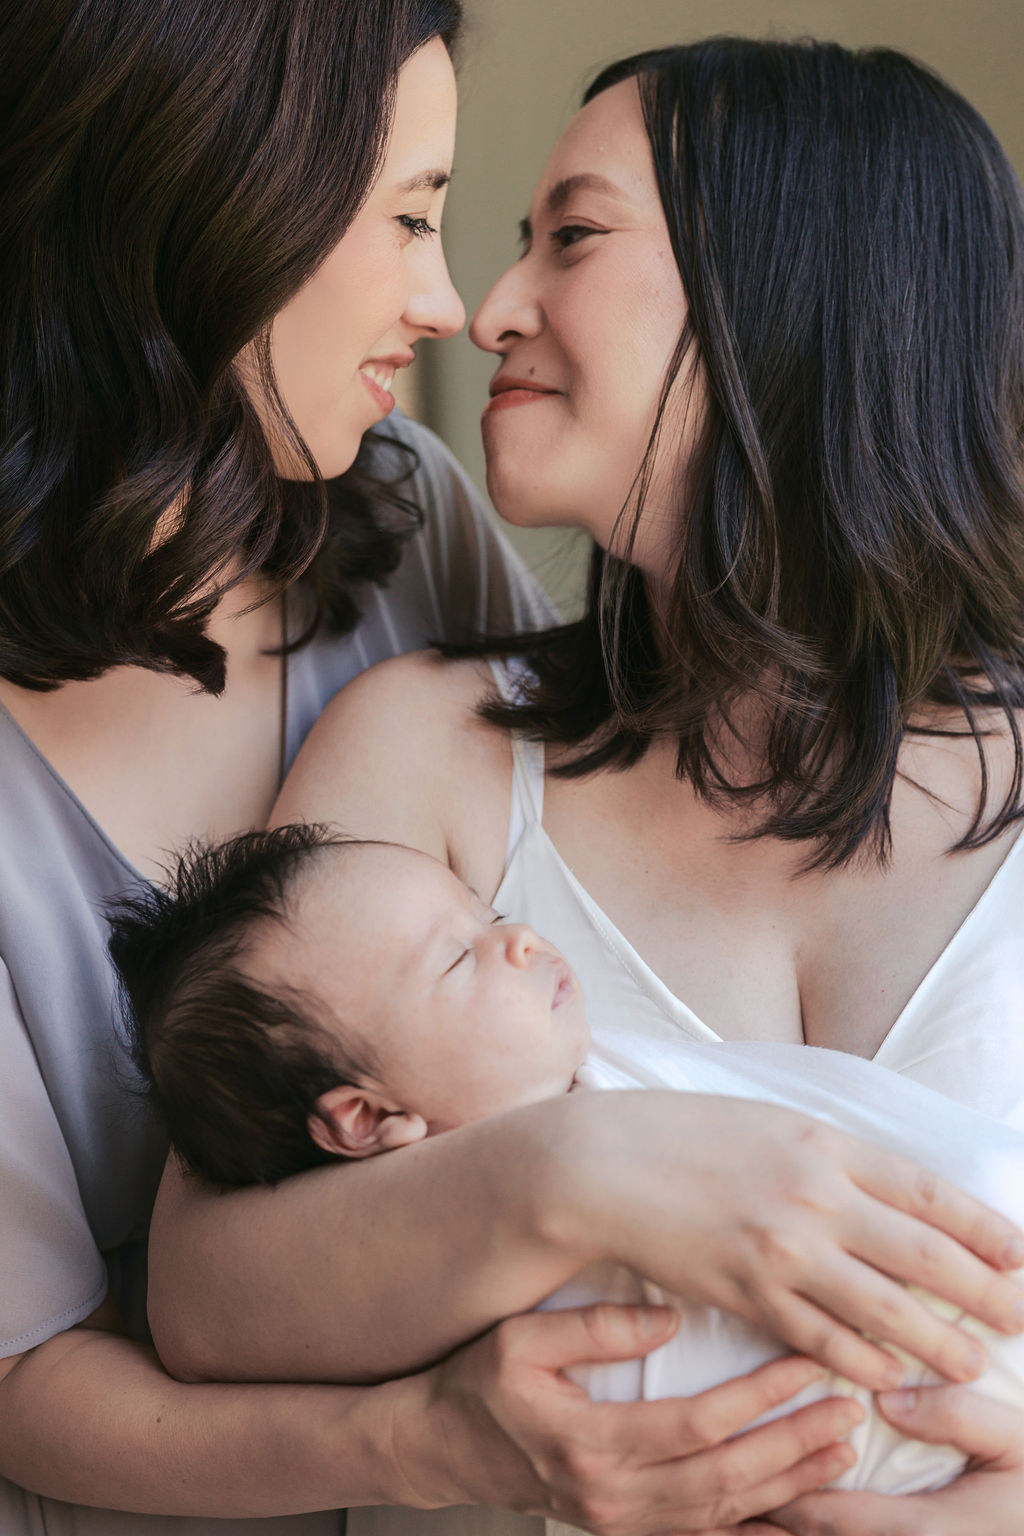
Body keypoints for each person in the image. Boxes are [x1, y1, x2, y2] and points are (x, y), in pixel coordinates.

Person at [147, 35, 1024, 1536]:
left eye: (576, 237)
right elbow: (202, 1298)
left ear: (793, 285)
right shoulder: (426, 753)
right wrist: (580, 1166)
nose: (490, 312)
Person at [111, 821, 1024, 1499]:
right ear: (364, 1118)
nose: (519, 938)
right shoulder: (472, 1289)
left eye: (493, 912)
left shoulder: (597, 1067)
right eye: (458, 961)